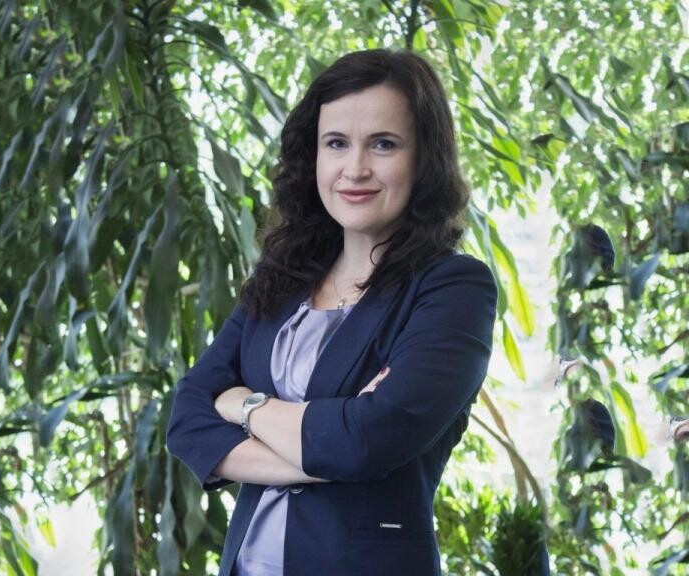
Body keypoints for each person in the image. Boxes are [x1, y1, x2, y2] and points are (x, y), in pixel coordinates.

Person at [167, 49, 497, 576]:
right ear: (313, 156)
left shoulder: (453, 288)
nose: (355, 168)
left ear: (424, 158)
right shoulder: (282, 277)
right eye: (336, 143)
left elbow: (368, 440)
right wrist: (318, 451)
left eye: (384, 144)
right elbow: (188, 416)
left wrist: (244, 405)